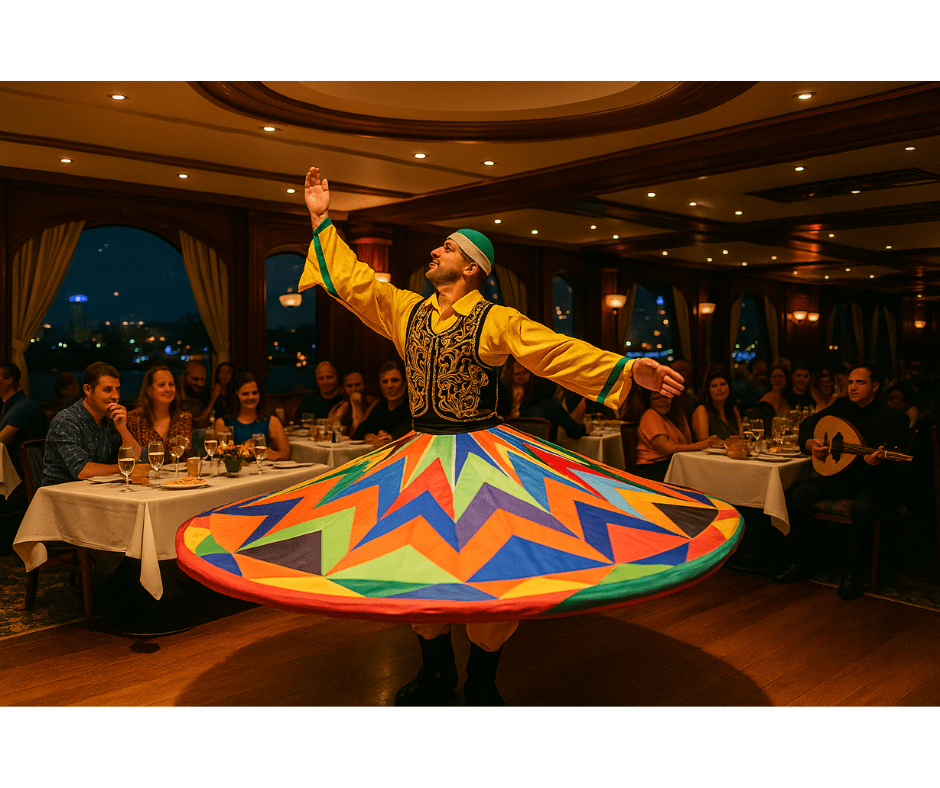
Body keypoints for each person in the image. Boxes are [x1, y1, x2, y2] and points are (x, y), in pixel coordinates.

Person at [178, 167, 738, 710]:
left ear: (471, 268)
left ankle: (482, 681)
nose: (434, 252)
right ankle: (436, 669)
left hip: (486, 464)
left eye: (446, 248)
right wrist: (322, 220)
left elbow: (552, 351)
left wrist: (626, 369)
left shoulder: (495, 319)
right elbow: (353, 282)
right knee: (416, 566)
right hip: (419, 459)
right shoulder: (406, 311)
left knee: (493, 573)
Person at [776, 364, 909, 600]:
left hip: (875, 482)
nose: (853, 387)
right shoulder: (841, 406)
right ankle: (802, 562)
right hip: (841, 478)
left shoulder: (894, 417)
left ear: (875, 386)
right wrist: (810, 444)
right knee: (794, 497)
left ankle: (853, 574)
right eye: (850, 382)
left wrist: (878, 461)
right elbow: (808, 424)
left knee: (862, 508)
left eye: (860, 382)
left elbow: (896, 462)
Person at [41, 361, 142, 486]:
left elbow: (136, 456)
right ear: (88, 390)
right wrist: (124, 468)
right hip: (62, 491)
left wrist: (123, 429)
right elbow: (82, 470)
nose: (115, 396)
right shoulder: (65, 421)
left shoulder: (112, 418)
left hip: (100, 489)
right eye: (107, 390)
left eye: (117, 389)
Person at [636, 388, 716, 482]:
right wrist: (702, 445)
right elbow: (666, 448)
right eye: (656, 398)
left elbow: (685, 442)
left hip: (668, 465)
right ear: (649, 400)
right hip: (654, 469)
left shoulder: (667, 417)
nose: (663, 401)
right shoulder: (650, 415)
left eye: (666, 397)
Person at [214, 371, 290, 461]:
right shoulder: (222, 423)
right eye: (245, 394)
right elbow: (217, 456)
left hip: (262, 469)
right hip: (233, 469)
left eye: (254, 393)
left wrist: (273, 454)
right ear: (236, 393)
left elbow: (286, 454)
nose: (251, 397)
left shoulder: (272, 421)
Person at [125, 365, 193, 466]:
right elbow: (129, 456)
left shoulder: (184, 419)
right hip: (143, 474)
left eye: (171, 384)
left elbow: (185, 458)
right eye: (161, 385)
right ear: (149, 390)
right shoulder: (133, 418)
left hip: (175, 474)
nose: (168, 389)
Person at [0, 361, 48, 474]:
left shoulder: (24, 406)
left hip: (22, 471)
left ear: (9, 380)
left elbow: (3, 439)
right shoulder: (7, 405)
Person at [351, 361, 412, 448]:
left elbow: (413, 434)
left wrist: (390, 438)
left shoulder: (413, 407)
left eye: (395, 380)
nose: (389, 385)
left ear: (404, 383)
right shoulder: (380, 406)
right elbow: (358, 434)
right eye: (385, 381)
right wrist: (368, 436)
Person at [691, 367, 741, 442]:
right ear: (708, 390)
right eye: (714, 386)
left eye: (723, 384)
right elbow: (703, 443)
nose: (719, 389)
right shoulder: (702, 410)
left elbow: (742, 438)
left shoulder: (733, 409)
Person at [328, 369, 378, 435]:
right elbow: (331, 430)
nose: (354, 389)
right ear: (344, 387)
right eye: (349, 386)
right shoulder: (339, 406)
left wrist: (356, 405)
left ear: (364, 385)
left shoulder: (374, 404)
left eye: (357, 385)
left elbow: (358, 433)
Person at [177, 359, 209, 425]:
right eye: (195, 379)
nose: (200, 384)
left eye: (202, 380)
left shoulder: (206, 398)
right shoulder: (175, 397)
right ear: (185, 377)